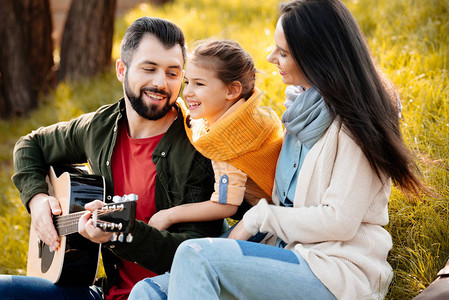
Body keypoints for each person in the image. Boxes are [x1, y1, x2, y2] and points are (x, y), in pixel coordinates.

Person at [163, 0, 427, 299]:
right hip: (286, 251)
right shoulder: (302, 110)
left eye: (284, 53)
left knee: (196, 256)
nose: (270, 57)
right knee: (150, 290)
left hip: (336, 270)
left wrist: (258, 218)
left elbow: (339, 221)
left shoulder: (357, 124)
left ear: (318, 58)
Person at [0, 17, 223, 300]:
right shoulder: (101, 127)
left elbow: (198, 252)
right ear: (121, 69)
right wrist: (38, 199)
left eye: (172, 73)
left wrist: (121, 236)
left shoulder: (199, 147)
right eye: (149, 68)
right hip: (105, 293)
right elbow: (30, 145)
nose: (160, 83)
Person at [128, 39, 283, 299]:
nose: (188, 92)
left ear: (232, 90)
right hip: (272, 214)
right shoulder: (248, 116)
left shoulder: (227, 141)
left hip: (268, 227)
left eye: (199, 84)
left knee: (199, 260)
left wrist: (170, 215)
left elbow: (226, 206)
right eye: (187, 82)